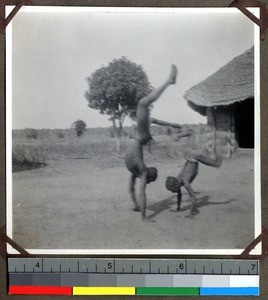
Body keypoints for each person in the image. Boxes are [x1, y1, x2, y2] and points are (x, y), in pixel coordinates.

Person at [125, 65, 181, 221]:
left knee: (143, 103)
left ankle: (169, 81)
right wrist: (173, 124)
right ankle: (169, 81)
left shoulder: (141, 171)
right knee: (144, 106)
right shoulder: (138, 172)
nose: (149, 168)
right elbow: (155, 120)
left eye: (151, 170)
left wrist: (143, 215)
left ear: (149, 174)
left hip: (134, 144)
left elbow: (138, 190)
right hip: (134, 149)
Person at [165, 128, 222, 217]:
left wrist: (191, 213)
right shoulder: (177, 180)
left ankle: (220, 145)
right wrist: (178, 208)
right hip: (188, 155)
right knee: (191, 133)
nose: (172, 192)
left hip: (195, 157)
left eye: (172, 190)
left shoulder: (185, 182)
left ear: (175, 186)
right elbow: (179, 195)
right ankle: (178, 135)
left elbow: (193, 197)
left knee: (217, 164)